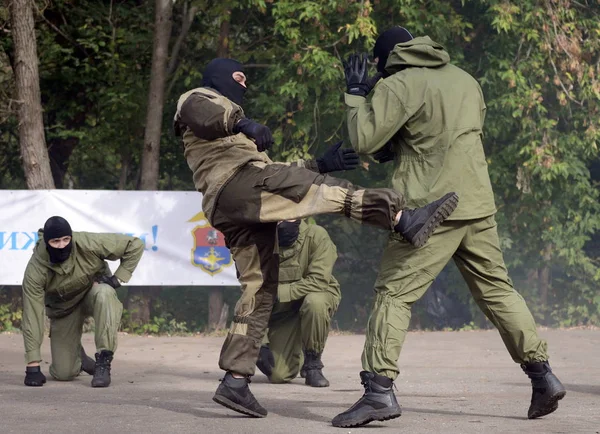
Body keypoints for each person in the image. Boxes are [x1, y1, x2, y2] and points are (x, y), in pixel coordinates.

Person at [174, 58, 459, 418]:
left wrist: (320, 164)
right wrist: (242, 122)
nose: (244, 83)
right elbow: (204, 115)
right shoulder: (197, 98)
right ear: (218, 77)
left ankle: (235, 380)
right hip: (237, 188)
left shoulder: (232, 135)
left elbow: (272, 173)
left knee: (258, 289)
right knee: (324, 192)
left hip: (229, 203)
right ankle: (401, 219)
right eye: (238, 76)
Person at [332, 27, 566, 428]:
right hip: (475, 202)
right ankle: (543, 376)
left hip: (429, 210)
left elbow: (364, 139)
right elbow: (443, 137)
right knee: (498, 290)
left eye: (376, 62)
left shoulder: (401, 83)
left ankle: (378, 392)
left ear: (385, 59)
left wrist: (357, 93)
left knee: (394, 294)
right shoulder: (465, 80)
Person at [21, 216, 144, 388]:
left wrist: (117, 279)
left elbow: (134, 244)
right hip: (64, 309)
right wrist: (32, 366)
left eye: (66, 239)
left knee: (105, 293)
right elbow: (32, 315)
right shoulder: (35, 269)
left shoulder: (87, 242)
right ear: (47, 242)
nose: (62, 245)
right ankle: (78, 356)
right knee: (64, 373)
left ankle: (103, 361)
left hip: (92, 292)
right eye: (56, 241)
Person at [255, 220, 341, 387]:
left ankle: (313, 363)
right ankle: (298, 356)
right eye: (277, 218)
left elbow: (318, 281)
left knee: (314, 302)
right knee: (278, 375)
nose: (282, 223)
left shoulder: (316, 235)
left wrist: (279, 293)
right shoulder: (261, 241)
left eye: (288, 216)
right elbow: (252, 296)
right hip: (283, 313)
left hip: (317, 298)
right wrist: (259, 342)